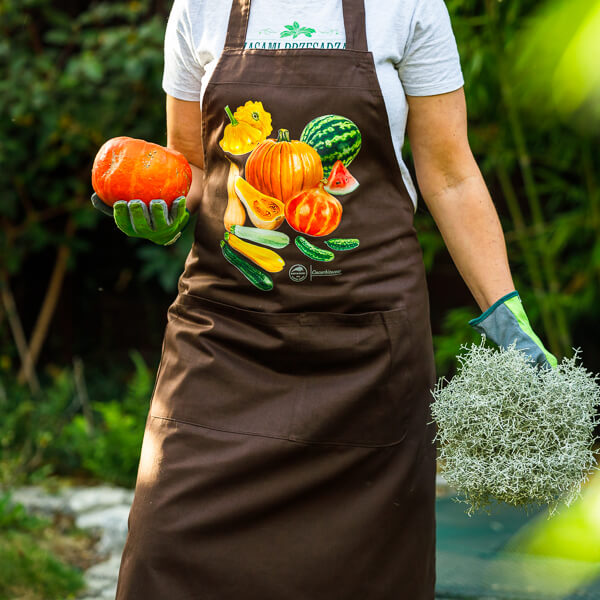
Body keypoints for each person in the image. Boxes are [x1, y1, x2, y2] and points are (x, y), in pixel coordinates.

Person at [92, 0, 557, 598]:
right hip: (224, 345)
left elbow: (450, 172)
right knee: (166, 553)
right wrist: (157, 213)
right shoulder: (200, 7)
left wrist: (505, 311)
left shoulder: (409, 6)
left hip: (367, 356)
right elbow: (186, 164)